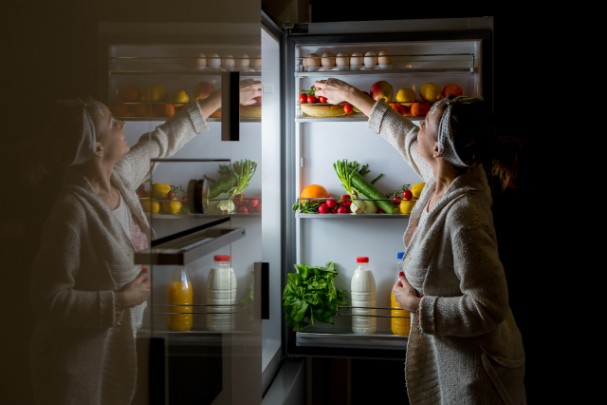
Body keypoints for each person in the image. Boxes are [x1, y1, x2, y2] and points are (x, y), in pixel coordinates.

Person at [27, 80, 262, 405]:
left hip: (113, 352)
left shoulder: (118, 179)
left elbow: (160, 142)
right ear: (96, 148)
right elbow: (46, 299)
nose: (122, 124)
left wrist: (218, 101)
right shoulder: (72, 211)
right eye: (112, 123)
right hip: (74, 369)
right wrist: (119, 299)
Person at [314, 78, 526, 404]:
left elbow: (488, 307)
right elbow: (404, 137)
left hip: (477, 376)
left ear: (439, 148)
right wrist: (350, 95)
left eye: (426, 122)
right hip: (453, 362)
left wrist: (417, 306)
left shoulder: (464, 216)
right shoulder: (443, 175)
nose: (418, 124)